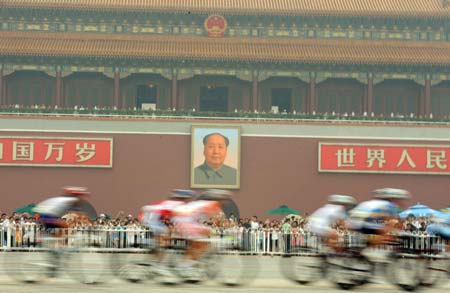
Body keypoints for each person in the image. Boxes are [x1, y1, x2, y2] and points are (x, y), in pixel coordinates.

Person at [138, 189, 196, 276]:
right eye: (188, 199)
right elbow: (178, 223)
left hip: (149, 216)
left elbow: (173, 223)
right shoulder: (178, 205)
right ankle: (158, 265)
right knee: (164, 241)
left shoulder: (173, 203)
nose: (188, 201)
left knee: (165, 237)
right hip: (150, 218)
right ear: (183, 198)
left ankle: (154, 253)